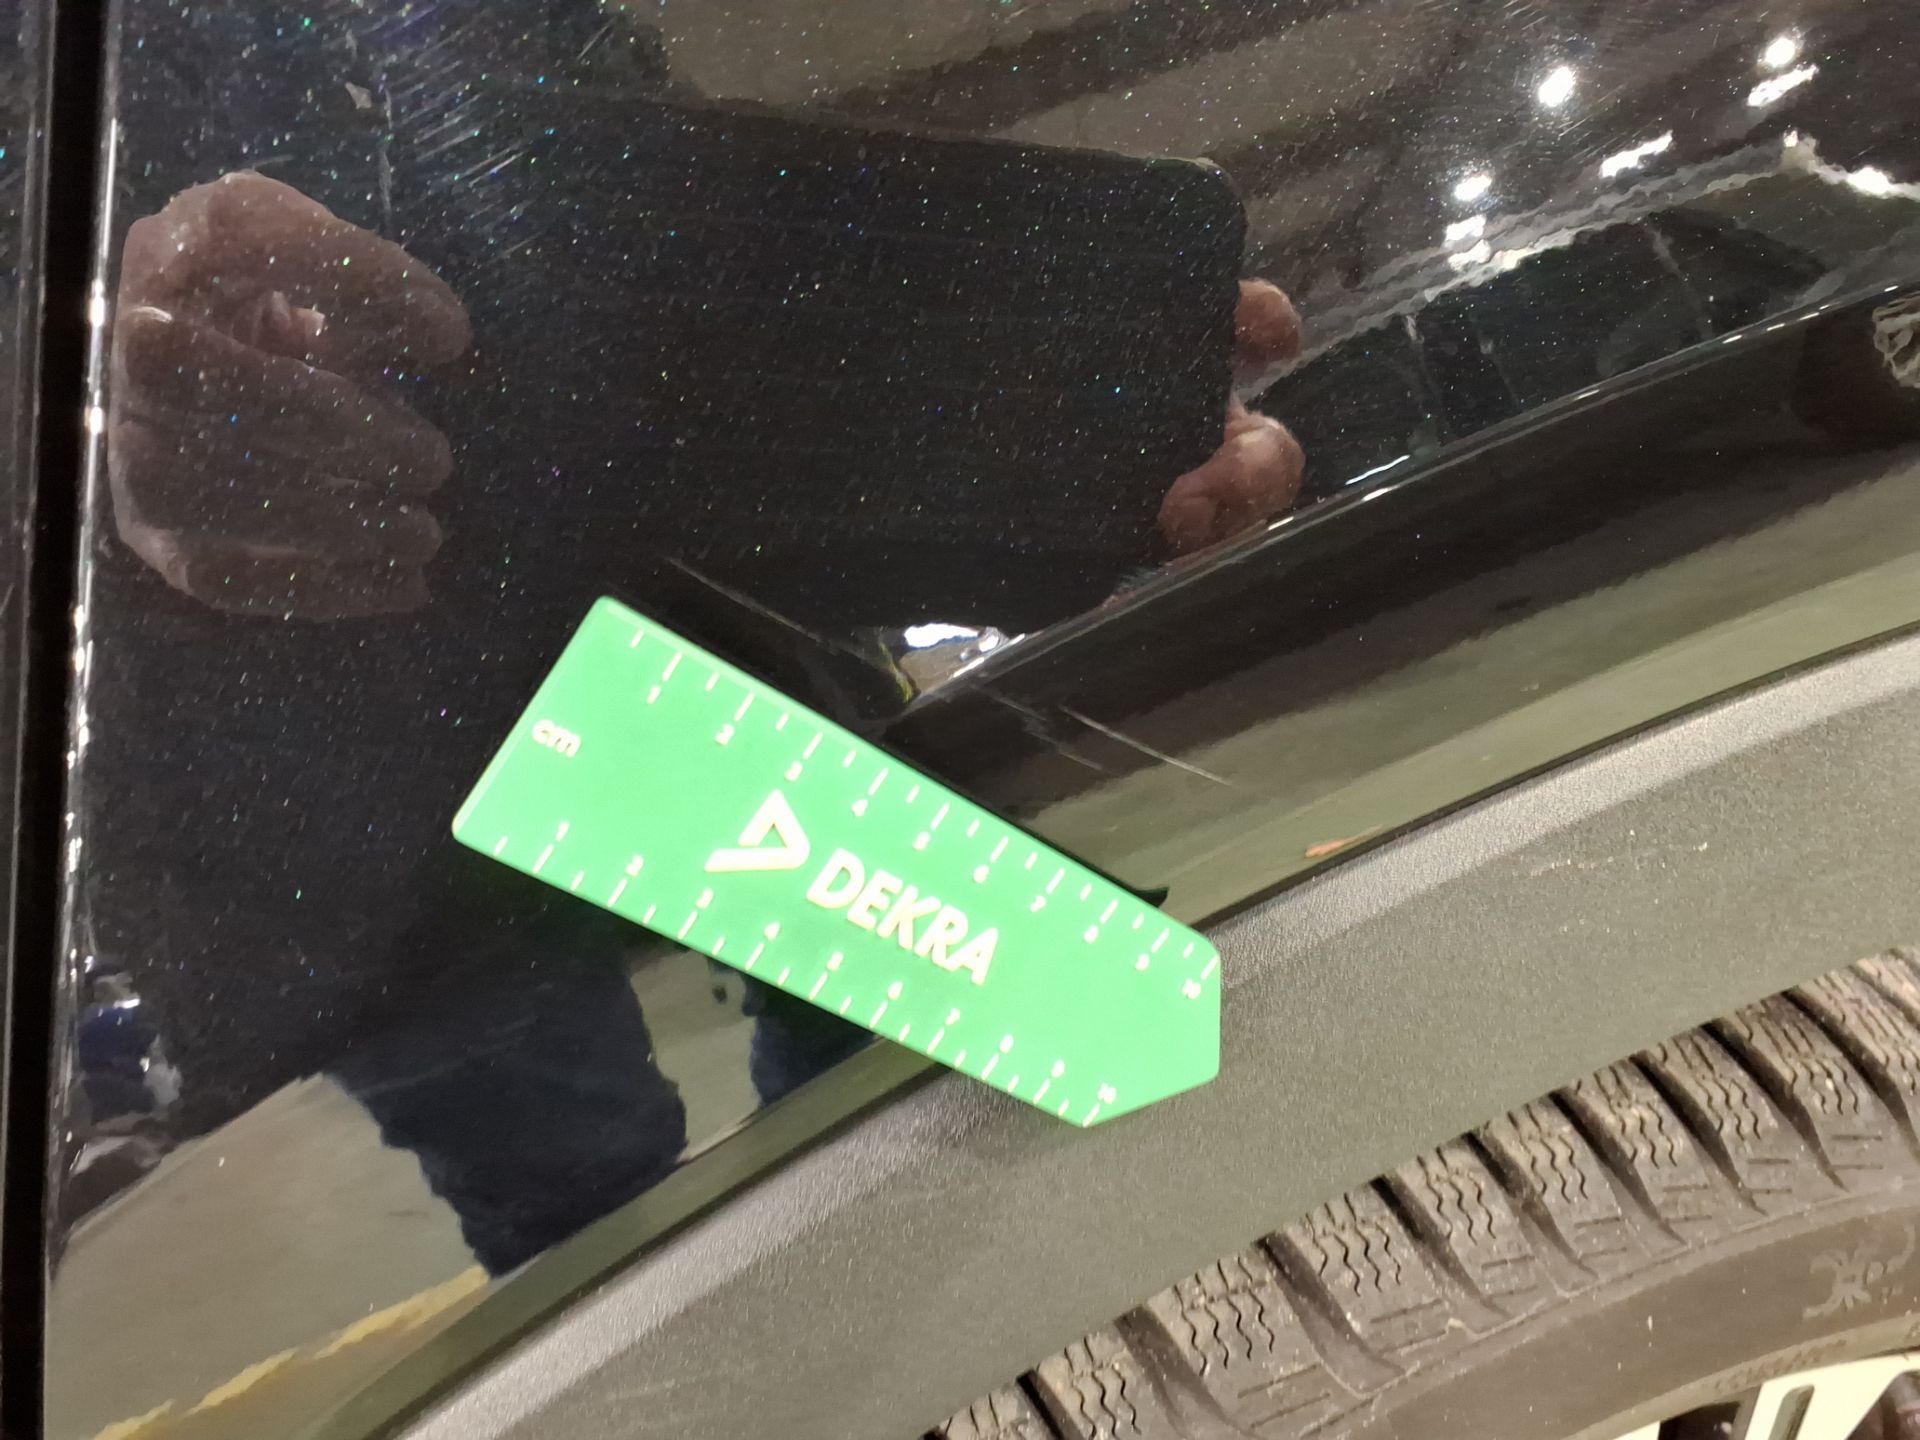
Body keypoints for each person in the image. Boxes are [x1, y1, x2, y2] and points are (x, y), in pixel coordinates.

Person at [77, 2, 1305, 1275]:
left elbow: (690, 297)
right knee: (595, 1226)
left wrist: (1008, 437)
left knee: (938, 1121)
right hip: (332, 854)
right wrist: (93, 415)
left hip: (718, 715)